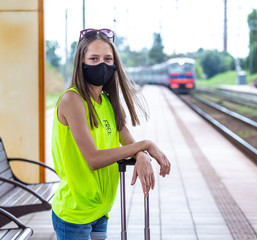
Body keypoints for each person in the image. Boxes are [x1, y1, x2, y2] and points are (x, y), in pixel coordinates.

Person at [51, 28, 171, 240]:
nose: (102, 65)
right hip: (75, 212)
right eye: (94, 58)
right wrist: (145, 144)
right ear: (81, 62)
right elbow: (94, 159)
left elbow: (130, 142)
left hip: (100, 209)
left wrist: (142, 154)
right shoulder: (72, 100)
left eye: (108, 59)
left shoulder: (107, 102)